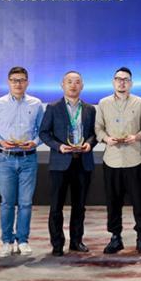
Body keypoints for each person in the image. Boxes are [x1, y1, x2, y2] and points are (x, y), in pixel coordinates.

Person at [0, 66, 45, 257]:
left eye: (21, 80)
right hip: (6, 159)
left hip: (28, 159)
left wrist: (34, 142)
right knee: (7, 203)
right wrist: (0, 142)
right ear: (8, 82)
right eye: (14, 80)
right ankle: (7, 241)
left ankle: (23, 240)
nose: (18, 84)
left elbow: (42, 131)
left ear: (27, 82)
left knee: (25, 202)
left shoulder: (36, 104)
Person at [39, 71, 97, 257]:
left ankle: (76, 241)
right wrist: (59, 146)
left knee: (79, 206)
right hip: (60, 163)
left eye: (77, 82)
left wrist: (89, 144)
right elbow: (44, 133)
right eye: (69, 82)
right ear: (62, 85)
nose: (73, 85)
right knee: (56, 206)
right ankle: (57, 244)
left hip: (82, 162)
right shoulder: (53, 108)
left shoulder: (90, 109)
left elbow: (94, 133)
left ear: (82, 86)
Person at [95, 67, 141, 255]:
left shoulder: (140, 103)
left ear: (131, 83)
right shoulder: (103, 103)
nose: (122, 82)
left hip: (135, 159)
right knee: (113, 201)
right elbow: (98, 128)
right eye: (118, 79)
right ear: (113, 82)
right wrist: (106, 139)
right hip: (112, 160)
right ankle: (115, 237)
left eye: (125, 79)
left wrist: (137, 136)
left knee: (139, 201)